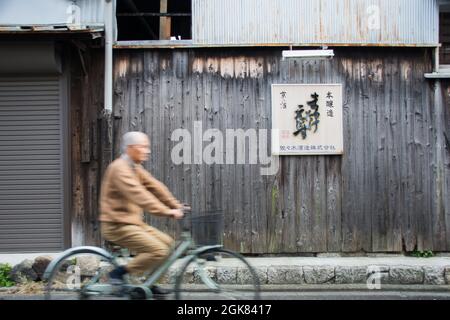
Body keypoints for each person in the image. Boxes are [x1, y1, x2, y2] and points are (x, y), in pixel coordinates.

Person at [99, 131, 185, 294]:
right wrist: (168, 212)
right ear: (131, 148)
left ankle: (150, 285)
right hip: (116, 225)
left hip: (133, 223)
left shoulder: (135, 167)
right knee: (158, 250)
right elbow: (141, 196)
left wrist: (176, 204)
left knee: (168, 244)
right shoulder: (119, 169)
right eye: (144, 147)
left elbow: (155, 187)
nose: (148, 150)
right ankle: (118, 273)